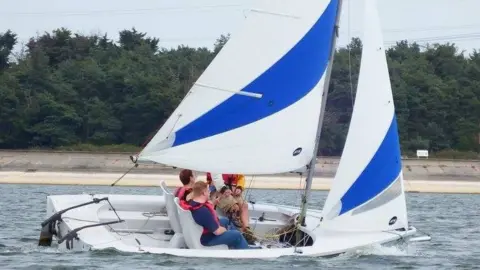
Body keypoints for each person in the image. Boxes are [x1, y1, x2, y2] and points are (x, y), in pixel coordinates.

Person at [181, 181, 257, 249]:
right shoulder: (203, 211)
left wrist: (213, 203)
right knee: (236, 234)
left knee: (226, 221)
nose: (209, 192)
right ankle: (246, 250)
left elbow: (207, 217)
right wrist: (225, 230)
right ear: (203, 193)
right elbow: (217, 231)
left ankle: (240, 244)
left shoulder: (193, 203)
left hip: (203, 233)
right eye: (208, 190)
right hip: (207, 240)